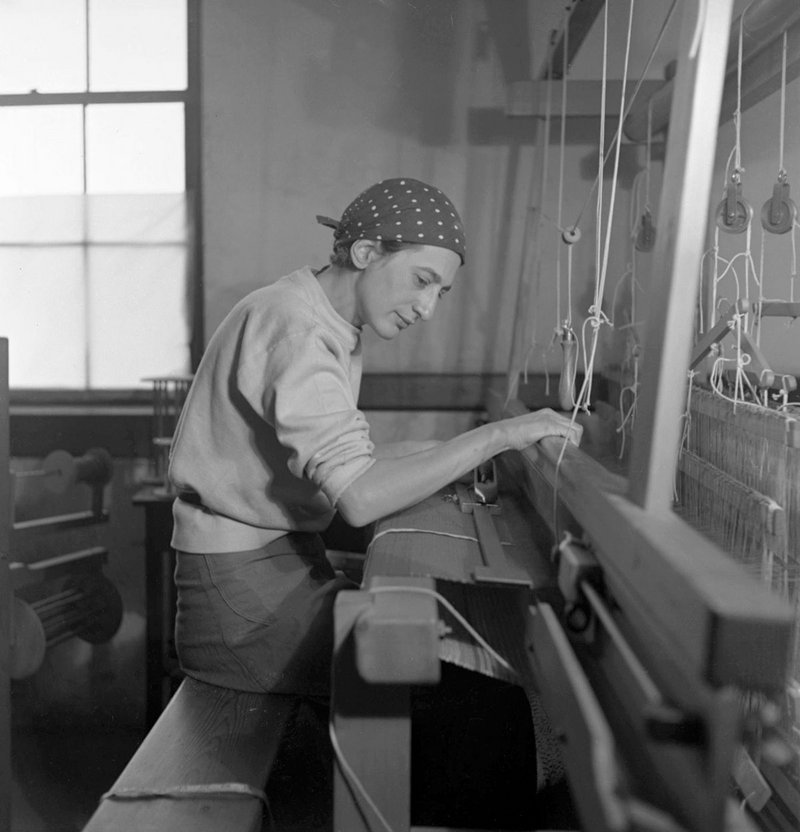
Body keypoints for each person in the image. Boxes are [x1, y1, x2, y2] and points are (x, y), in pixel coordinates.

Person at [167, 177, 581, 698]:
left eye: (440, 292)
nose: (428, 308)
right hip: (242, 606)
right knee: (444, 685)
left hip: (270, 570)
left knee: (441, 666)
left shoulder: (316, 317)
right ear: (365, 252)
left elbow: (347, 460)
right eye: (422, 280)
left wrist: (455, 451)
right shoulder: (299, 330)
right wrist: (497, 436)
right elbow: (360, 496)